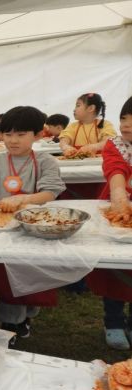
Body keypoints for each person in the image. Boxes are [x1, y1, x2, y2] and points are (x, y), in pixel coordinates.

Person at [0, 106, 66, 343]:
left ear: (37, 135)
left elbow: (50, 192)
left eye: (21, 135)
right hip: (1, 229)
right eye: (8, 134)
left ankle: (27, 312)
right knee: (5, 277)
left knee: (31, 273)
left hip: (34, 229)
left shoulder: (45, 161)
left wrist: (24, 199)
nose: (13, 140)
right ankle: (10, 322)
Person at [87, 96, 132, 349]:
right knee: (115, 268)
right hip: (116, 210)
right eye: (124, 118)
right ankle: (113, 321)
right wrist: (118, 194)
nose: (126, 125)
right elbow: (116, 169)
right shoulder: (116, 144)